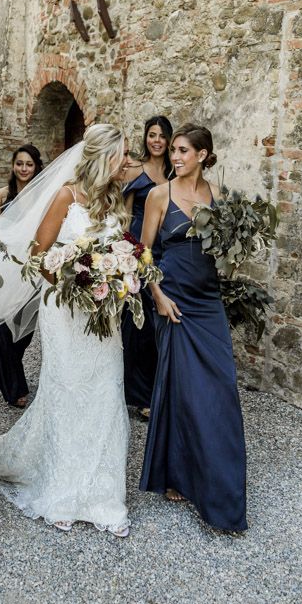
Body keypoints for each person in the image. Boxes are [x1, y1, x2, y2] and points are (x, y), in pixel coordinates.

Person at [0, 124, 133, 537]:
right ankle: (62, 489)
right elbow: (38, 256)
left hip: (104, 317)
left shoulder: (115, 201)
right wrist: (76, 283)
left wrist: (117, 281)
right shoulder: (65, 195)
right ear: (104, 157)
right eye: (122, 155)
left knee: (104, 393)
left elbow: (121, 254)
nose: (126, 162)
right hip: (65, 310)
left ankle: (103, 495)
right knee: (67, 390)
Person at [139, 123, 247, 533]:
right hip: (174, 301)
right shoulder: (157, 196)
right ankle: (180, 478)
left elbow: (222, 253)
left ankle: (218, 484)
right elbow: (142, 252)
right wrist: (158, 297)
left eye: (183, 151)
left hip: (208, 301)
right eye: (174, 151)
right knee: (183, 390)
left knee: (220, 389)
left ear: (202, 155)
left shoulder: (217, 196)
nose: (175, 157)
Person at [122, 115, 173, 417]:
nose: (156, 140)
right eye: (151, 135)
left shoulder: (172, 174)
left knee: (160, 320)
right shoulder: (134, 171)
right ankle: (140, 395)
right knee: (138, 322)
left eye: (161, 136)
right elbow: (125, 215)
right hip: (138, 248)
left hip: (166, 248)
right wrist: (127, 250)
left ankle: (160, 387)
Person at [0, 144, 44, 408]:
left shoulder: (45, 198)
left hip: (32, 273)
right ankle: (14, 387)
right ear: (13, 166)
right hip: (5, 271)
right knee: (1, 329)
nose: (23, 169)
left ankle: (15, 370)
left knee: (24, 332)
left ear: (36, 167)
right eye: (19, 163)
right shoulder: (1, 197)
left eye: (29, 164)